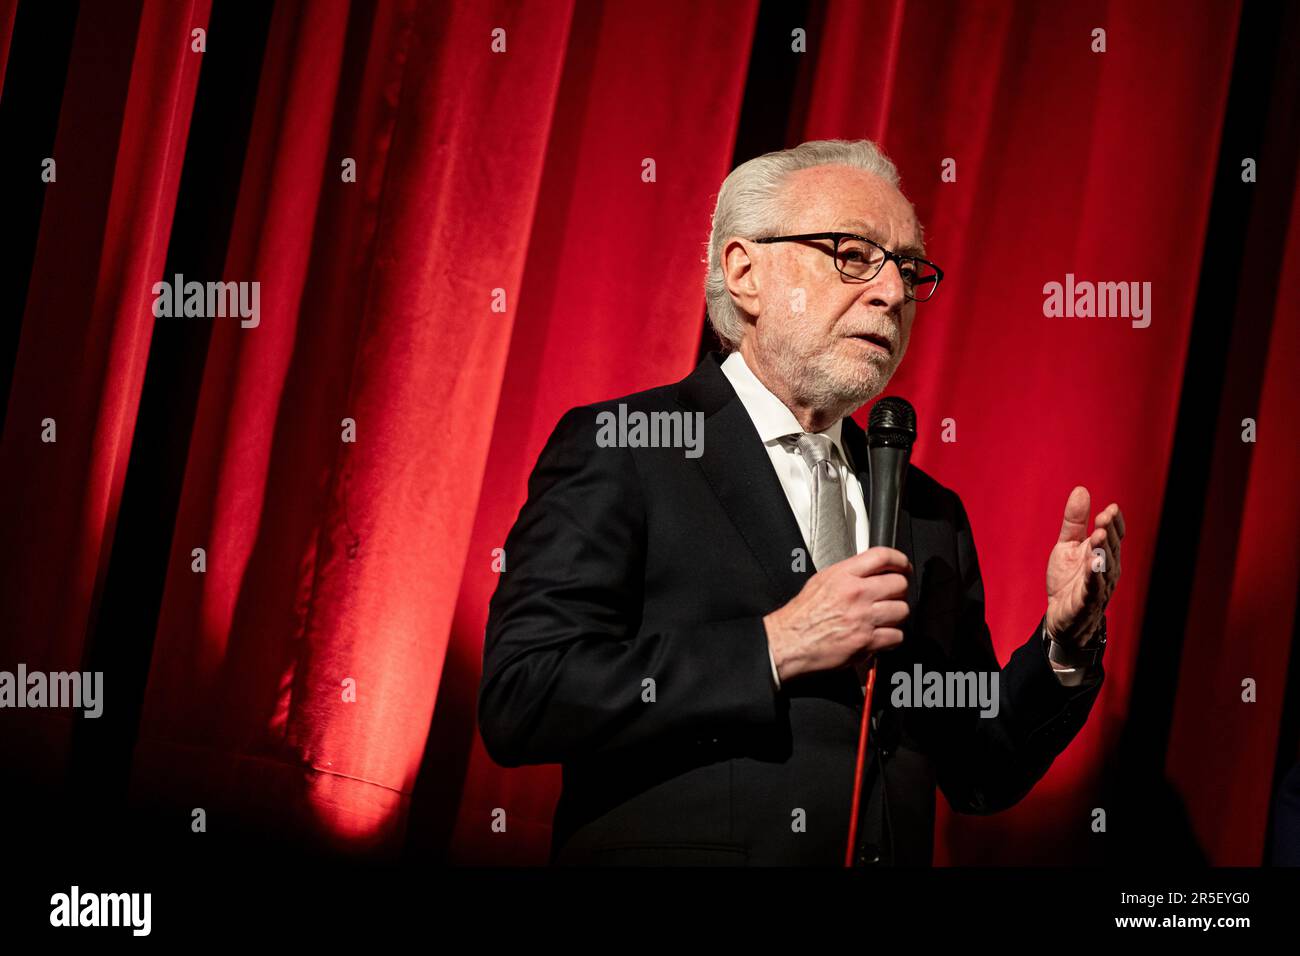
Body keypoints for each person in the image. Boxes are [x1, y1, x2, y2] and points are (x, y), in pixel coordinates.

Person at [478, 138, 1124, 865]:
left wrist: (1063, 646)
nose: (891, 293)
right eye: (852, 255)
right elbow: (524, 695)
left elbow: (980, 768)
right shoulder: (629, 447)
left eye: (908, 269)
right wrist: (776, 645)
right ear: (745, 273)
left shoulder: (928, 513)